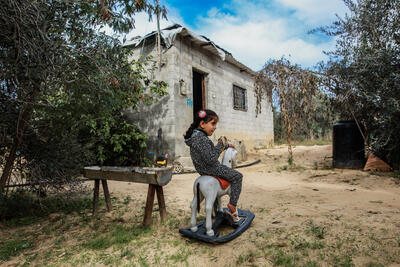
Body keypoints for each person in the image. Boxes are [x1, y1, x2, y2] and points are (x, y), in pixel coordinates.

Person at [184, 109, 243, 222]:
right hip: (211, 168)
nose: (215, 127)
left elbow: (209, 152)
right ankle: (232, 204)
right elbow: (211, 158)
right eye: (213, 123)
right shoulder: (201, 138)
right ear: (202, 124)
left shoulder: (196, 137)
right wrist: (221, 144)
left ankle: (217, 210)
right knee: (238, 176)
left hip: (203, 170)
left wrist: (225, 146)